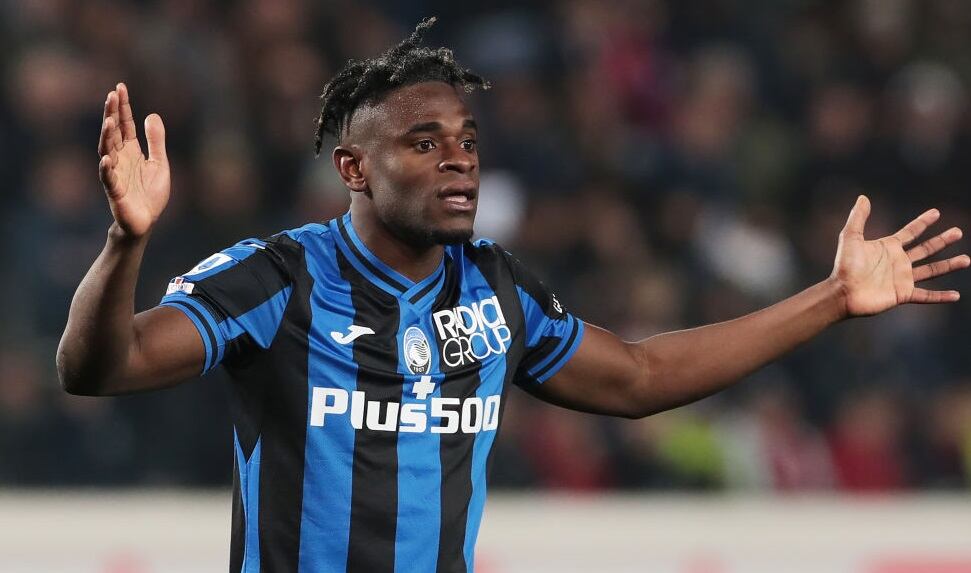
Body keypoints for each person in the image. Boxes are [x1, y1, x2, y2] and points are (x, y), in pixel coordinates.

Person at [57, 18, 968, 573]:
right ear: (353, 168)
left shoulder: (490, 286)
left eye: (467, 140)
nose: (458, 159)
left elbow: (641, 375)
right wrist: (126, 240)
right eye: (423, 142)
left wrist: (831, 297)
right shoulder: (276, 278)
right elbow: (100, 366)